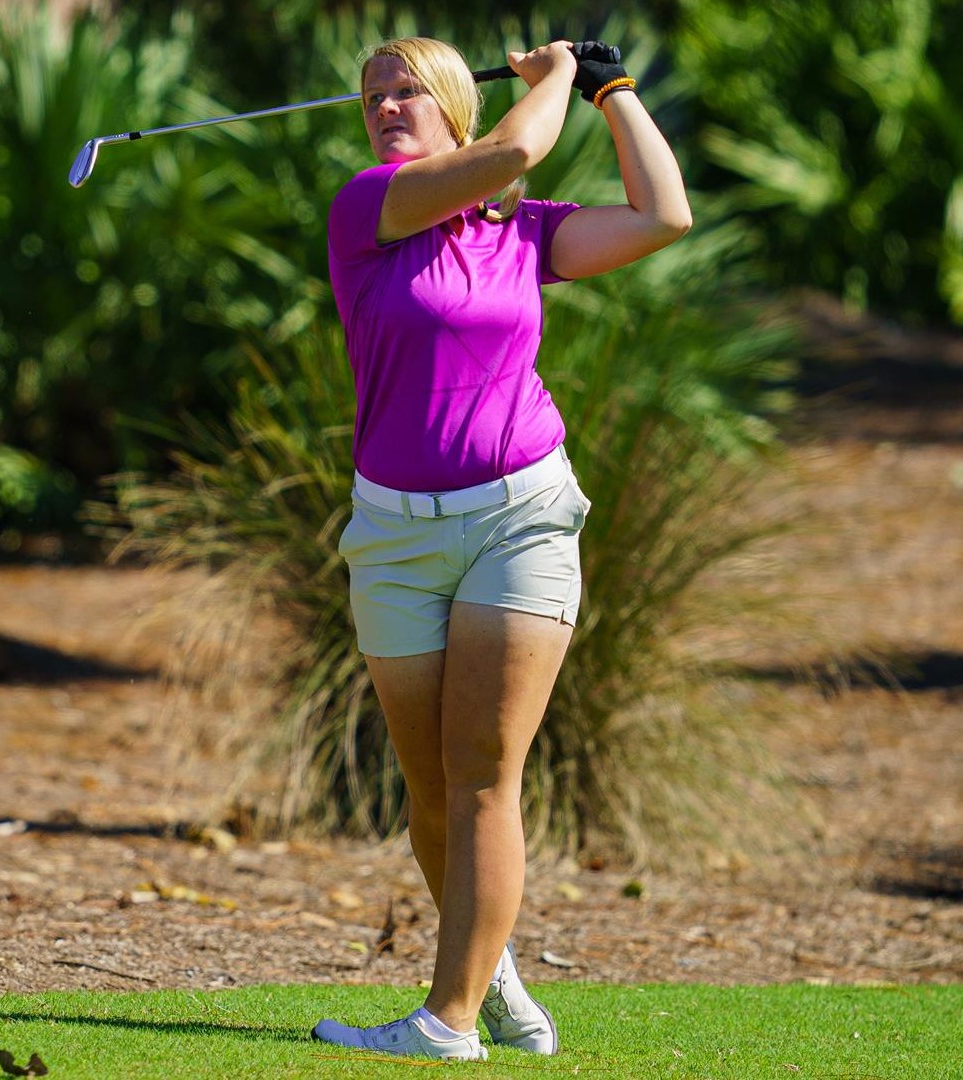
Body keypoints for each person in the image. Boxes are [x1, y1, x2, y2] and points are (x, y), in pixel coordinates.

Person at [307, 35, 691, 1061]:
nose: (386, 108)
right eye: (372, 96)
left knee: (482, 773)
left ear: (455, 109)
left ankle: (449, 1023)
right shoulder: (368, 210)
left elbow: (665, 214)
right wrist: (552, 78)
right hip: (392, 534)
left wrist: (604, 88)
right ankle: (494, 974)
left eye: (408, 93)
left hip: (520, 519)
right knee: (429, 786)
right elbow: (516, 152)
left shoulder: (520, 234)